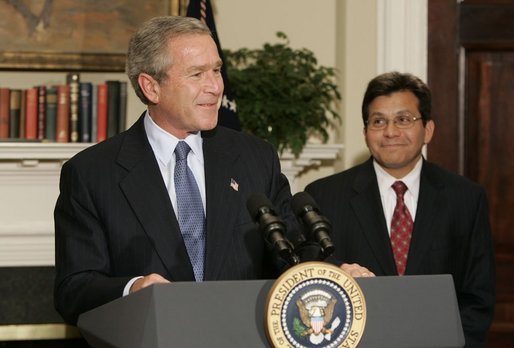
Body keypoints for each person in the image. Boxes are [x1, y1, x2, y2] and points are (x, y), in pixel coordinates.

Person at [54, 16, 296, 325]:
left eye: (217, 70)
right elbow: (73, 289)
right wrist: (134, 288)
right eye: (197, 74)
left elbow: (290, 251)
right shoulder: (91, 174)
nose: (215, 87)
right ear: (151, 87)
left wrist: (336, 271)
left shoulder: (255, 157)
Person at [305, 71, 495, 347]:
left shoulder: (465, 198)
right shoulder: (323, 195)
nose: (390, 132)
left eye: (403, 120)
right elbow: (314, 280)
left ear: (428, 129)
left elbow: (478, 298)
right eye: (378, 121)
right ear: (365, 132)